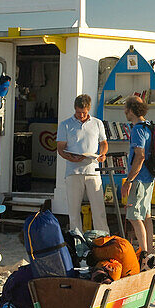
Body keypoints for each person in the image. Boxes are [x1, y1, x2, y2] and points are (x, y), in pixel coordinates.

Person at [56, 94, 109, 235]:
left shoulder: (97, 123)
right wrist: (70, 157)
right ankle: (76, 240)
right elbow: (60, 148)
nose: (81, 115)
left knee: (99, 210)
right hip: (73, 172)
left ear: (89, 109)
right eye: (78, 112)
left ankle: (104, 238)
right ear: (75, 109)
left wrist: (102, 154)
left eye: (84, 113)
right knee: (73, 211)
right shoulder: (65, 124)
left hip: (93, 170)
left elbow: (103, 143)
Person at [120, 96, 155, 253]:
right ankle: (149, 250)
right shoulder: (149, 126)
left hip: (139, 178)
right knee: (146, 215)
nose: (124, 111)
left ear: (130, 110)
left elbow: (139, 156)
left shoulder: (137, 129)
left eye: (126, 108)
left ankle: (143, 253)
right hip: (149, 177)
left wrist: (129, 181)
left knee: (134, 217)